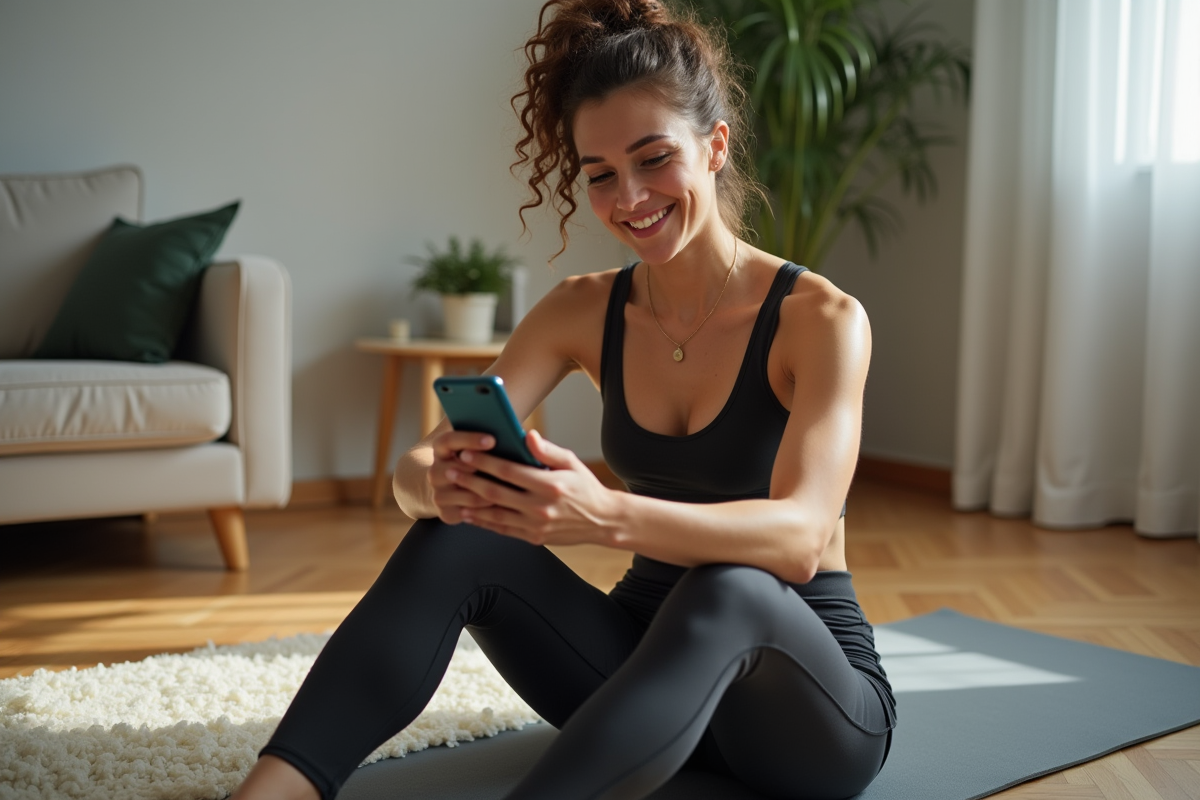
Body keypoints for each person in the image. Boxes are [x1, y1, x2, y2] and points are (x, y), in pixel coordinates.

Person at [233, 1, 895, 798]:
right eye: (602, 175)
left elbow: (798, 539)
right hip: (636, 677)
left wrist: (604, 515)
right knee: (459, 536)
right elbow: (415, 469)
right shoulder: (581, 310)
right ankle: (273, 791)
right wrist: (436, 481)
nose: (630, 198)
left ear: (714, 147)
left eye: (655, 159)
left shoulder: (819, 319)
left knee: (734, 584)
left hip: (801, 711)